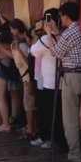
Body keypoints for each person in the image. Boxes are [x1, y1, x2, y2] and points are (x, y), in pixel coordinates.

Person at [45, 2, 81, 162]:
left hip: (73, 77)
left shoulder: (69, 32)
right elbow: (67, 45)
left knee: (71, 119)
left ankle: (75, 154)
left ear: (65, 16)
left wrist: (49, 35)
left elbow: (56, 52)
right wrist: (57, 32)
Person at [30, 9, 65, 150]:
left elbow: (33, 51)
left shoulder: (45, 39)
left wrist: (37, 34)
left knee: (48, 112)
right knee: (57, 113)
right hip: (61, 80)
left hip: (49, 82)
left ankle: (50, 138)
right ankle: (53, 139)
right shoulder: (63, 36)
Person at [10, 19, 35, 137]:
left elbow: (28, 62)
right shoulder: (20, 45)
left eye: (11, 29)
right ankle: (31, 126)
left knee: (29, 105)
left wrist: (19, 49)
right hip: (25, 77)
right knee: (28, 104)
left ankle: (31, 128)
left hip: (27, 77)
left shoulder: (23, 46)